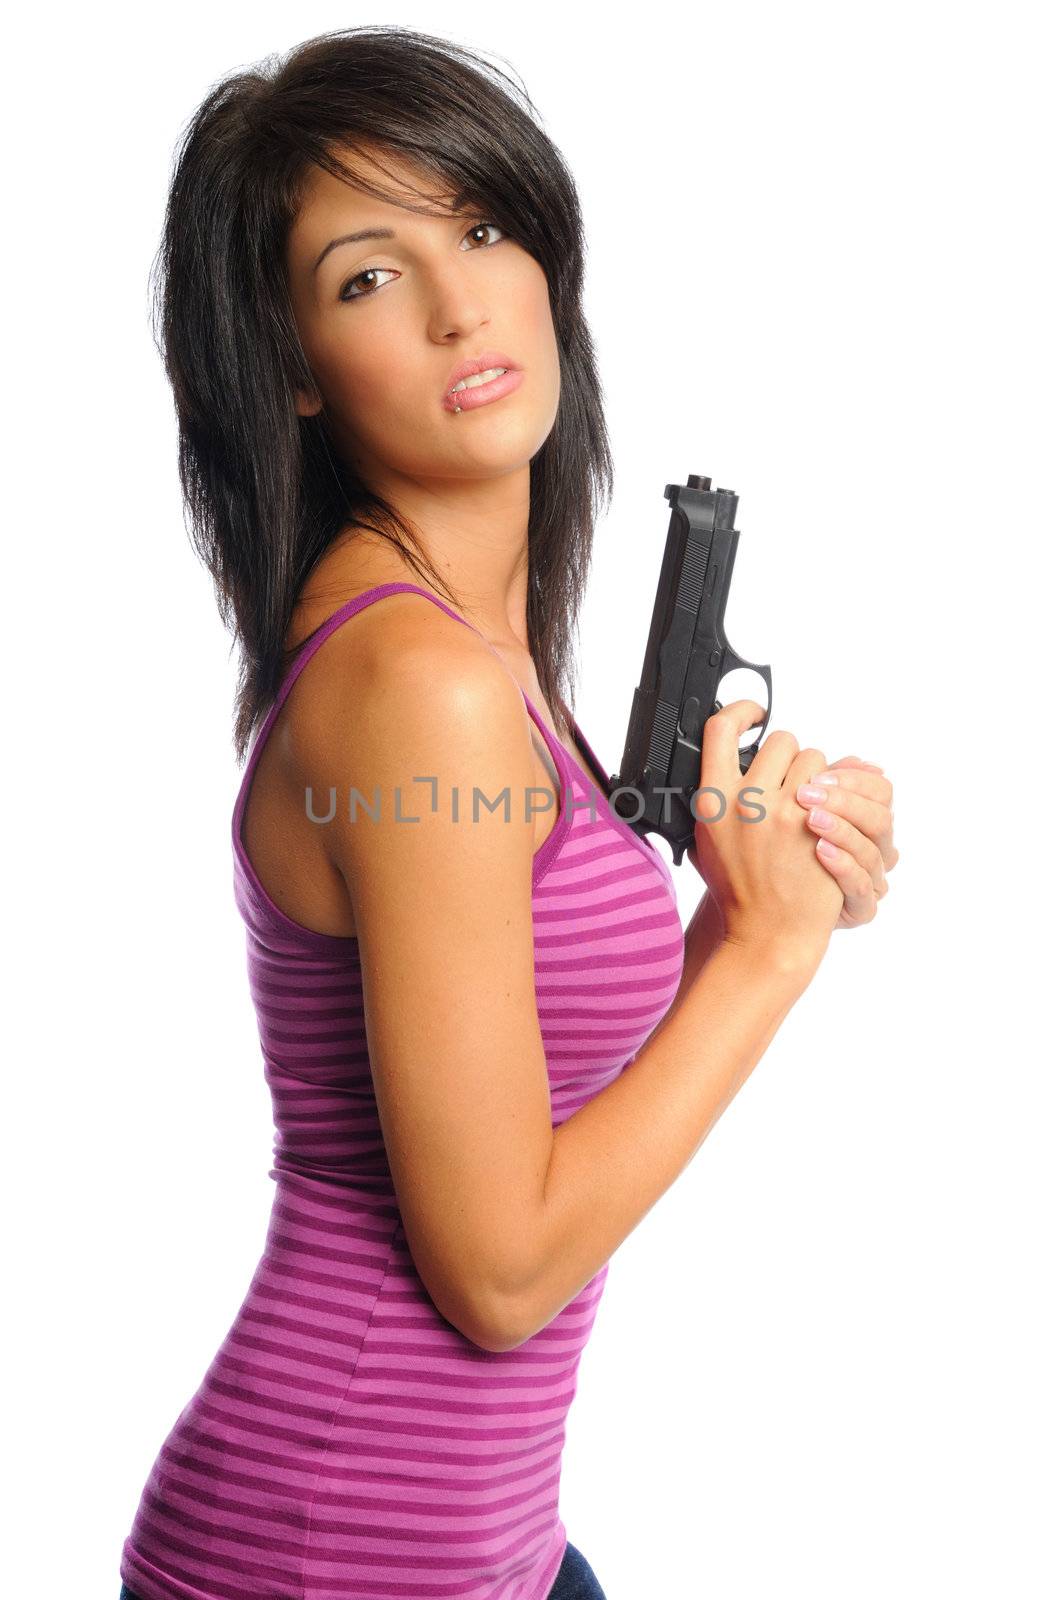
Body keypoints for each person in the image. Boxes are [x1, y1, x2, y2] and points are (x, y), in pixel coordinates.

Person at [117, 24, 899, 1600]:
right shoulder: (424, 684)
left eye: (478, 228)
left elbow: (534, 1103)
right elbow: (496, 1268)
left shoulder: (469, 655)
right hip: (335, 1556)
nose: (462, 300)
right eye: (366, 276)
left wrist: (767, 890)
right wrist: (757, 962)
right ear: (289, 371)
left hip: (493, 1545)